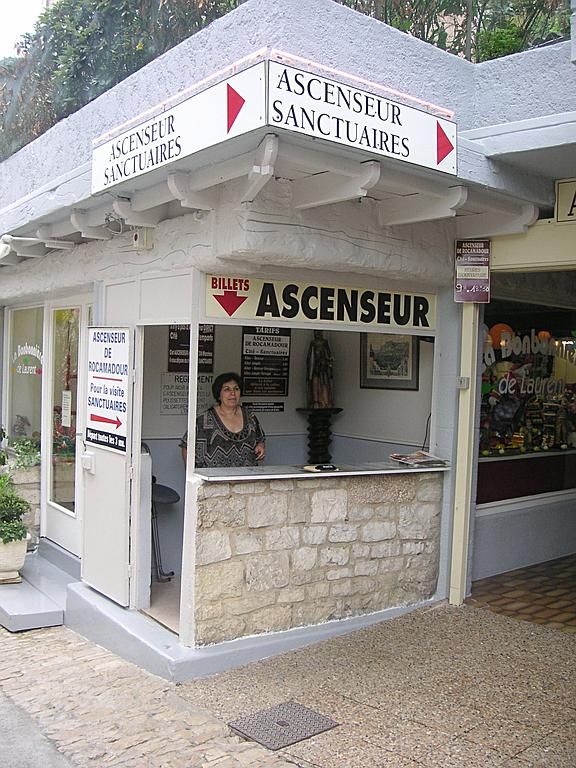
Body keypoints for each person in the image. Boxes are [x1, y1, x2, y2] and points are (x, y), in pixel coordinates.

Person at [185, 372, 265, 468]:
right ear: (219, 394)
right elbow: (186, 447)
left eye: (236, 389)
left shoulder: (250, 416)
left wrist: (261, 446)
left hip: (247, 479)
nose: (233, 393)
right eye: (227, 389)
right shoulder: (205, 420)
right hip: (215, 481)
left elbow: (260, 439)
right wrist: (194, 477)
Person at [306, 330, 334, 409]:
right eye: (316, 332)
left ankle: (325, 401)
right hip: (315, 365)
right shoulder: (313, 343)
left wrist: (327, 361)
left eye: (318, 332)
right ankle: (315, 400)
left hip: (323, 366)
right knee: (315, 381)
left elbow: (329, 355)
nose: (317, 334)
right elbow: (309, 357)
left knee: (324, 383)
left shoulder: (325, 342)